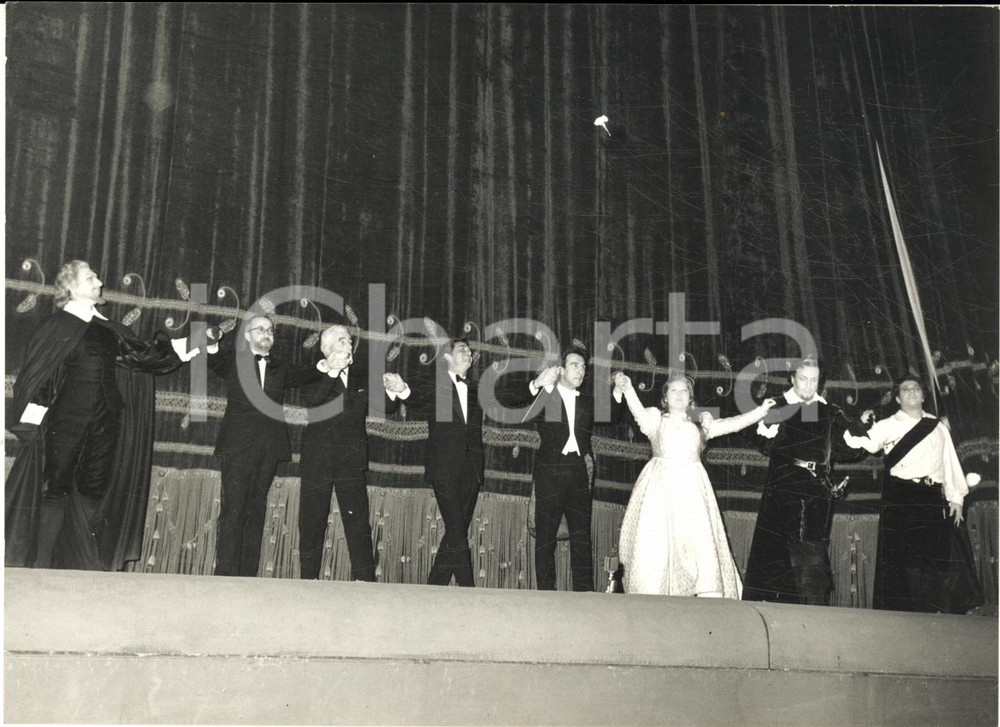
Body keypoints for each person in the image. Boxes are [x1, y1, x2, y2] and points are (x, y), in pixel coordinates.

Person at [6, 260, 201, 570]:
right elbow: (43, 379)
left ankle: (81, 563)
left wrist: (196, 342)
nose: (99, 282)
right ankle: (40, 566)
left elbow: (144, 356)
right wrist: (30, 424)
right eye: (91, 277)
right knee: (55, 488)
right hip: (66, 424)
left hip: (105, 423)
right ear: (71, 287)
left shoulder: (108, 330)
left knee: (92, 487)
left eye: (97, 276)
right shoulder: (57, 326)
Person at [613, 372, 776, 598]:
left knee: (698, 541)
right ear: (665, 397)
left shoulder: (702, 423)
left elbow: (732, 424)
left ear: (691, 397)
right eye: (674, 390)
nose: (679, 395)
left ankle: (706, 593)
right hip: (659, 490)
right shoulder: (655, 420)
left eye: (684, 391)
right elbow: (637, 410)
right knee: (656, 540)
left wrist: (760, 411)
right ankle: (652, 596)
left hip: (693, 492)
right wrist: (628, 388)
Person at [842, 375, 984, 613]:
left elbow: (948, 463)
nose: (912, 392)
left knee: (934, 557)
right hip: (902, 495)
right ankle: (909, 614)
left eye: (916, 389)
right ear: (898, 398)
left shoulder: (938, 427)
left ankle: (934, 611)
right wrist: (859, 425)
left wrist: (956, 498)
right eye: (906, 390)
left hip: (931, 495)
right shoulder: (887, 425)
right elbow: (865, 443)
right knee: (905, 559)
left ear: (923, 395)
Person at [742, 357, 866, 605]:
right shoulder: (778, 405)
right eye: (803, 379)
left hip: (816, 492)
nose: (809, 385)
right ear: (792, 379)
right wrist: (767, 421)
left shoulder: (830, 411)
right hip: (783, 486)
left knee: (810, 548)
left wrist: (860, 428)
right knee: (777, 548)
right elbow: (762, 443)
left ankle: (810, 609)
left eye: (814, 380)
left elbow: (850, 449)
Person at [208, 314, 315, 577]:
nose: (266, 334)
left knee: (256, 509)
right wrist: (211, 341)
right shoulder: (234, 359)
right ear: (247, 335)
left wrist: (327, 364)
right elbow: (213, 357)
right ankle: (225, 576)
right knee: (233, 509)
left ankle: (247, 576)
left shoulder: (281, 366)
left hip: (269, 446)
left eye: (270, 330)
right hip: (238, 445)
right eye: (260, 330)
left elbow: (307, 373)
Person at [297, 324, 397, 581]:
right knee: (312, 521)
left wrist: (393, 389)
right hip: (317, 457)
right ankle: (307, 581)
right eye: (342, 340)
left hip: (351, 459)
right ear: (326, 347)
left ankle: (365, 581)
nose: (349, 344)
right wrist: (333, 370)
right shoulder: (313, 371)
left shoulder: (362, 374)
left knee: (358, 523)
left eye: (350, 340)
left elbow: (386, 406)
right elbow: (314, 401)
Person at [384, 338, 484, 587]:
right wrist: (402, 388)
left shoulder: (475, 389)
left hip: (472, 467)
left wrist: (535, 384)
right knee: (458, 530)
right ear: (448, 357)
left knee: (455, 530)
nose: (469, 354)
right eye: (463, 350)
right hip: (444, 467)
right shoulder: (435, 383)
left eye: (471, 351)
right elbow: (414, 397)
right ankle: (468, 590)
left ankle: (434, 587)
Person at [503, 346, 597, 591]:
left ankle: (585, 594)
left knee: (582, 538)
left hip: (578, 472)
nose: (581, 370)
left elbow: (615, 414)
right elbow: (509, 399)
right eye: (575, 365)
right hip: (550, 472)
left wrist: (618, 393)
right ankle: (546, 594)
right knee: (545, 538)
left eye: (583, 366)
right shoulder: (546, 394)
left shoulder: (587, 401)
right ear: (561, 369)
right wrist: (535, 383)